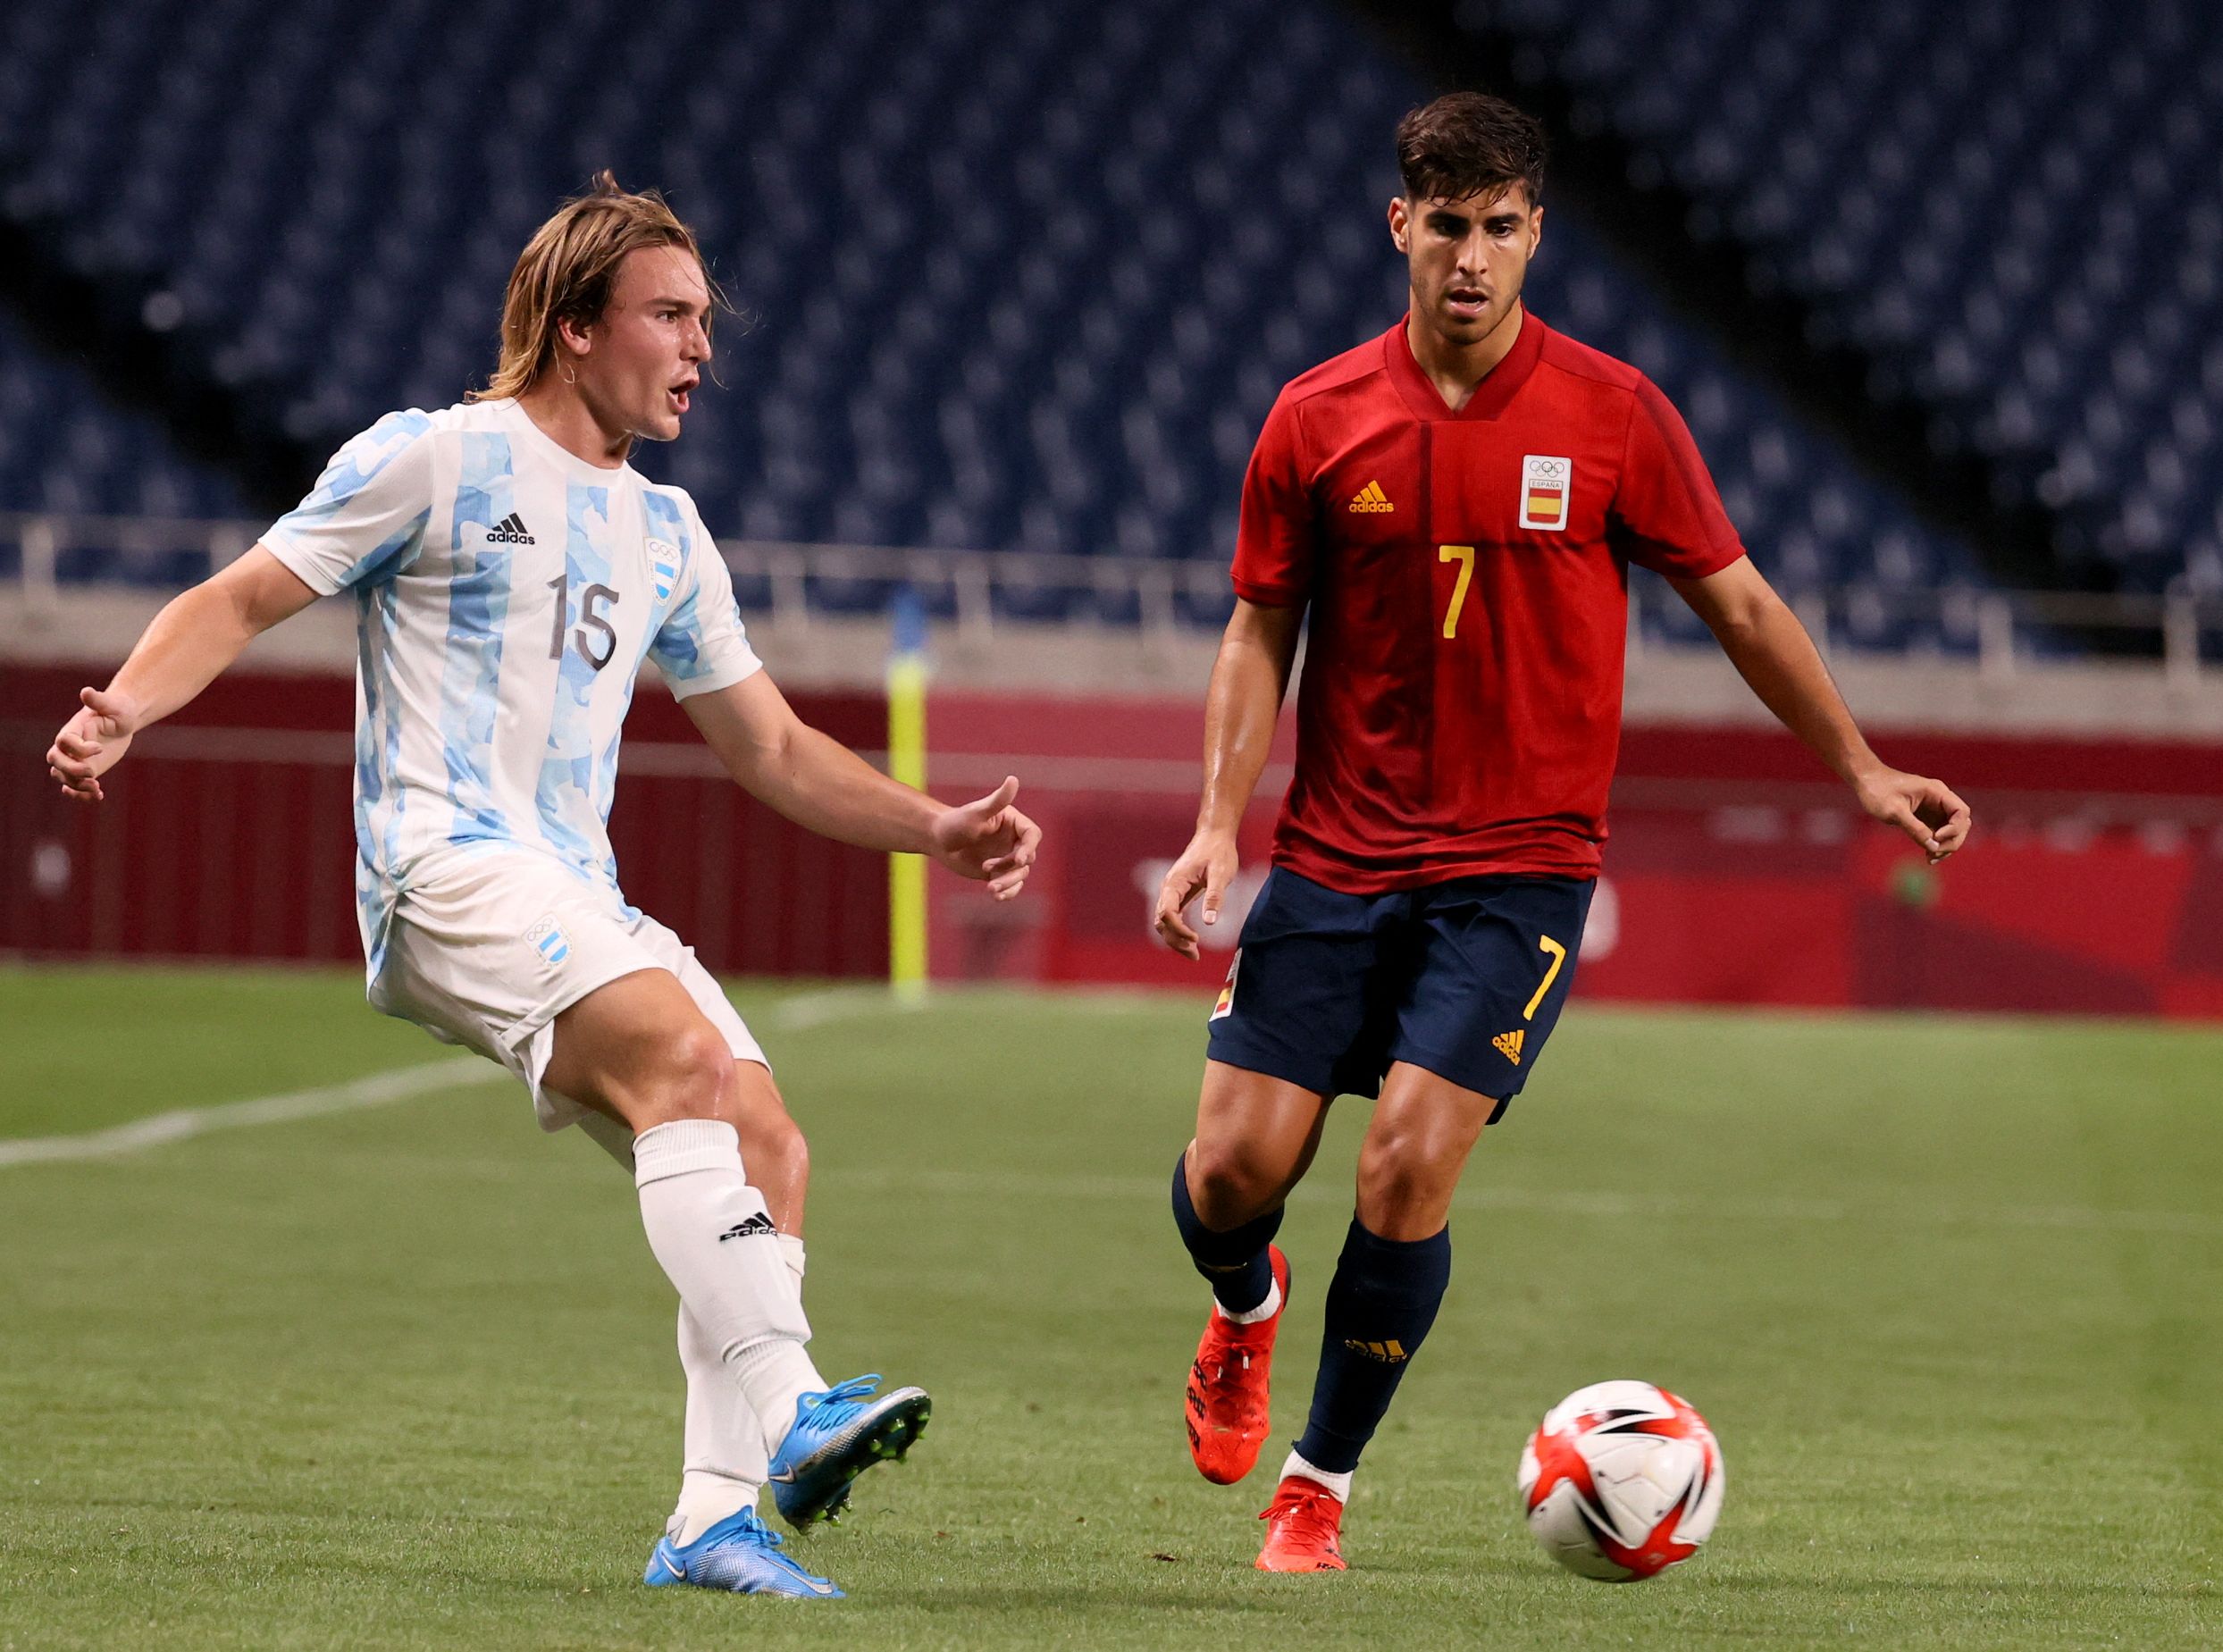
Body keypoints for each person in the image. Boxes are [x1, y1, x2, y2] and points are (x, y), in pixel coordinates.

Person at [45, 174, 1041, 1601]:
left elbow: (766, 743)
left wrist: (935, 828)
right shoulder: (433, 459)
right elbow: (244, 595)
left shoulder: (668, 530)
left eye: (707, 321)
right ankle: (793, 1406)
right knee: (690, 1063)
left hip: (572, 882)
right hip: (441, 862)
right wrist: (127, 707)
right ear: (576, 326)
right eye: (671, 315)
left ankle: (709, 1521)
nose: (701, 347)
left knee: (765, 1142)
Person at [1151, 94, 1971, 1572]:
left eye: (1501, 228)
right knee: (1228, 1178)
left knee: (1403, 1161)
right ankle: (1243, 1310)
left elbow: (1737, 600)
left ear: (1537, 235)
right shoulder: (1315, 416)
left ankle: (1315, 1488)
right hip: (1337, 853)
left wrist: (1854, 764)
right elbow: (1259, 627)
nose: (1472, 257)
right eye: (1447, 225)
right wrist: (1217, 826)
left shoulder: (1614, 415)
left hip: (1518, 869)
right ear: (1400, 224)